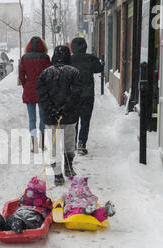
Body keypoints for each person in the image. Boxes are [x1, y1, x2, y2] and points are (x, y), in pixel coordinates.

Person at [36, 45, 83, 186]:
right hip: (69, 117)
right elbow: (76, 94)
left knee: (54, 145)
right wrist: (65, 109)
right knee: (69, 142)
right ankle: (68, 167)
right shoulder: (74, 72)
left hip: (51, 118)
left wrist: (52, 110)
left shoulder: (45, 74)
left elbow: (42, 95)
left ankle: (58, 175)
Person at [71, 37, 104, 155]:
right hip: (87, 95)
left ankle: (72, 143)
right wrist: (101, 61)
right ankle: (82, 143)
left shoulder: (69, 59)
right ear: (85, 47)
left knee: (73, 120)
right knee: (85, 120)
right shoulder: (91, 58)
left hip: (73, 96)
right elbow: (99, 68)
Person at [19, 36, 51, 152]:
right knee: (43, 118)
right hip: (42, 92)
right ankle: (42, 144)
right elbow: (49, 75)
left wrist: (26, 85)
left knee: (32, 119)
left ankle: (34, 144)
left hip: (29, 91)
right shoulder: (46, 58)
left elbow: (21, 76)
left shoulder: (24, 58)